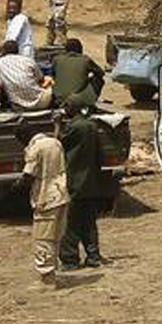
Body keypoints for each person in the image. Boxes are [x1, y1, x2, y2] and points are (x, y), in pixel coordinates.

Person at [21, 118, 69, 283]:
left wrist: (18, 185)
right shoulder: (55, 142)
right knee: (56, 236)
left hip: (45, 198)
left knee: (43, 238)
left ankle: (47, 277)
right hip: (61, 193)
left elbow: (28, 174)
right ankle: (54, 271)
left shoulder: (35, 148)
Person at [59, 102, 103, 270]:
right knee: (89, 223)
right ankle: (93, 256)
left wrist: (57, 126)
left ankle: (70, 260)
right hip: (90, 183)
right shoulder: (92, 126)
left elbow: (58, 145)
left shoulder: (74, 128)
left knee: (70, 224)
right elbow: (100, 156)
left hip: (74, 183)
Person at [0, 40, 52, 116]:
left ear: (3, 51)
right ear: (18, 50)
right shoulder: (28, 61)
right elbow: (41, 79)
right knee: (49, 81)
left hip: (19, 105)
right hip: (42, 103)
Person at [51, 39, 105, 109]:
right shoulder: (85, 60)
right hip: (77, 99)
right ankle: (89, 102)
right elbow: (101, 73)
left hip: (58, 99)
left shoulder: (56, 59)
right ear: (80, 49)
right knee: (98, 80)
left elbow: (53, 75)